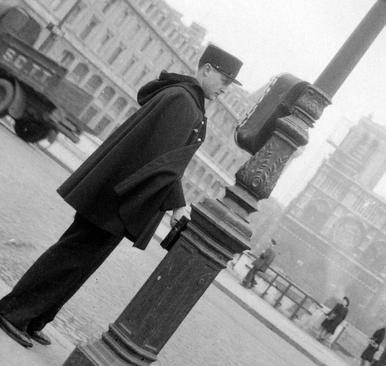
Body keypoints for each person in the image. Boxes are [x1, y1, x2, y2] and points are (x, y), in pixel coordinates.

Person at [0, 44, 243, 348]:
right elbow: (164, 161)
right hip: (120, 198)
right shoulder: (183, 101)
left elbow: (166, 162)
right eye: (225, 80)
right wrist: (177, 205)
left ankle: (35, 318)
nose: (226, 89)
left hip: (119, 196)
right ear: (207, 69)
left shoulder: (184, 99)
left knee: (79, 264)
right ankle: (12, 313)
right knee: (70, 258)